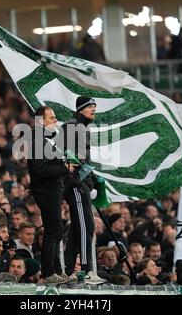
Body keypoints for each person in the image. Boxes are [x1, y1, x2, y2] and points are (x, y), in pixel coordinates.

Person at [27, 106, 74, 284]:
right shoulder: (38, 141)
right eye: (52, 117)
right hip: (46, 190)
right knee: (53, 231)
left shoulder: (47, 140)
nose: (56, 120)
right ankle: (48, 273)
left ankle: (56, 270)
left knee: (56, 230)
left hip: (53, 189)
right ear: (41, 121)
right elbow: (42, 169)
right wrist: (65, 168)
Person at [61, 96, 103, 282]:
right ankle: (88, 271)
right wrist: (80, 183)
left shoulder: (80, 127)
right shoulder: (72, 126)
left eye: (94, 106)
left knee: (77, 229)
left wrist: (91, 182)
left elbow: (83, 159)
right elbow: (67, 158)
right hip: (76, 185)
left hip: (80, 183)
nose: (93, 109)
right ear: (80, 109)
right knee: (87, 226)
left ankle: (68, 269)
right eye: (90, 106)